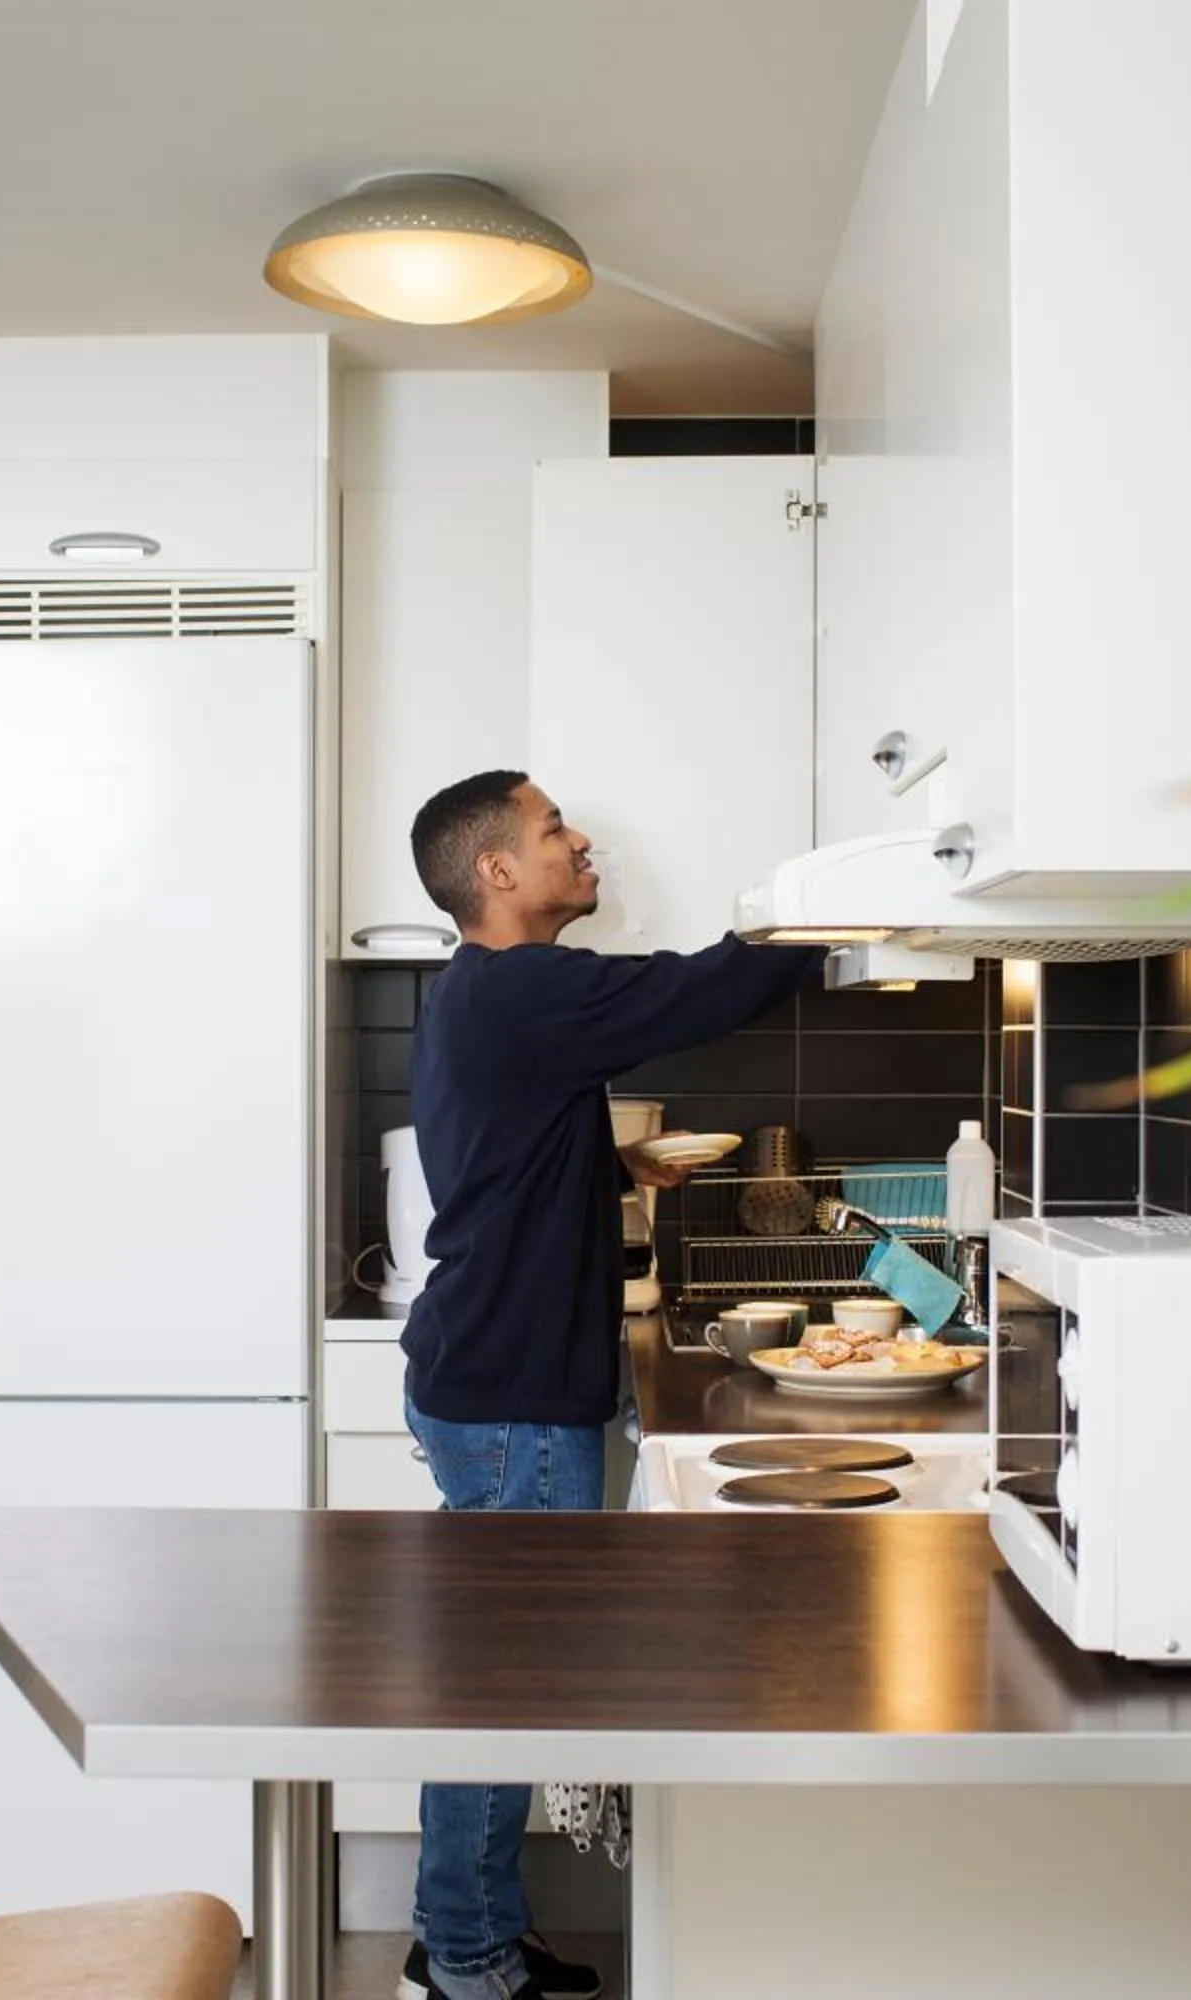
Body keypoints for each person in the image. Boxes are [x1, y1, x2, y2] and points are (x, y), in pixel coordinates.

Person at [394, 770, 822, 2000]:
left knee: (495, 1671)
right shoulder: (523, 985)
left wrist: (612, 1157)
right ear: (496, 873)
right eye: (551, 831)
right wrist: (817, 909)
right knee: (502, 1680)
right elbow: (707, 987)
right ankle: (466, 1956)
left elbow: (506, 1142)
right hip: (512, 1393)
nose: (581, 842)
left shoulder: (486, 995)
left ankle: (465, 1923)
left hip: (488, 1373)